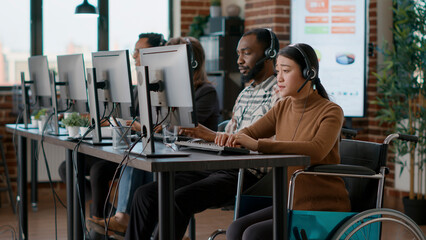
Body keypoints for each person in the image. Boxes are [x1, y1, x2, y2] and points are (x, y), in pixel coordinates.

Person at [124, 28, 280, 240]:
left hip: (249, 173)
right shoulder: (245, 92)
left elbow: (256, 142)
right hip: (221, 165)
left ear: (269, 54)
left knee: (178, 199)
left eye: (247, 53)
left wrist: (208, 135)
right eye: (238, 54)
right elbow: (228, 139)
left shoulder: (279, 94)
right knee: (145, 195)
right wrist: (204, 139)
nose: (240, 60)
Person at [89, 36, 221, 239]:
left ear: (191, 62)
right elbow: (155, 126)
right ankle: (131, 220)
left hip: (193, 161)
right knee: (135, 156)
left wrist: (142, 125)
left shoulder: (206, 92)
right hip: (167, 153)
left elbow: (184, 128)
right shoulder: (165, 91)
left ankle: (141, 224)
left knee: (140, 166)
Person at [221, 43, 351, 240]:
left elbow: (316, 150)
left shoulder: (331, 111)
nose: (279, 78)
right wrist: (234, 137)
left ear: (309, 73)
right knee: (235, 229)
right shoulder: (283, 107)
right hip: (290, 203)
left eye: (286, 71)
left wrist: (259, 145)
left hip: (321, 207)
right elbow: (251, 132)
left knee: (253, 234)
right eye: (278, 71)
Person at [86, 33, 167, 237]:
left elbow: (161, 126)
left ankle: (120, 218)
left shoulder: (164, 86)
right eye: (134, 51)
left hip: (156, 149)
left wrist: (136, 126)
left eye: (138, 52)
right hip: (139, 144)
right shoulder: (137, 87)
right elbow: (132, 118)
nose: (134, 57)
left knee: (123, 159)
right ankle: (112, 216)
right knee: (84, 166)